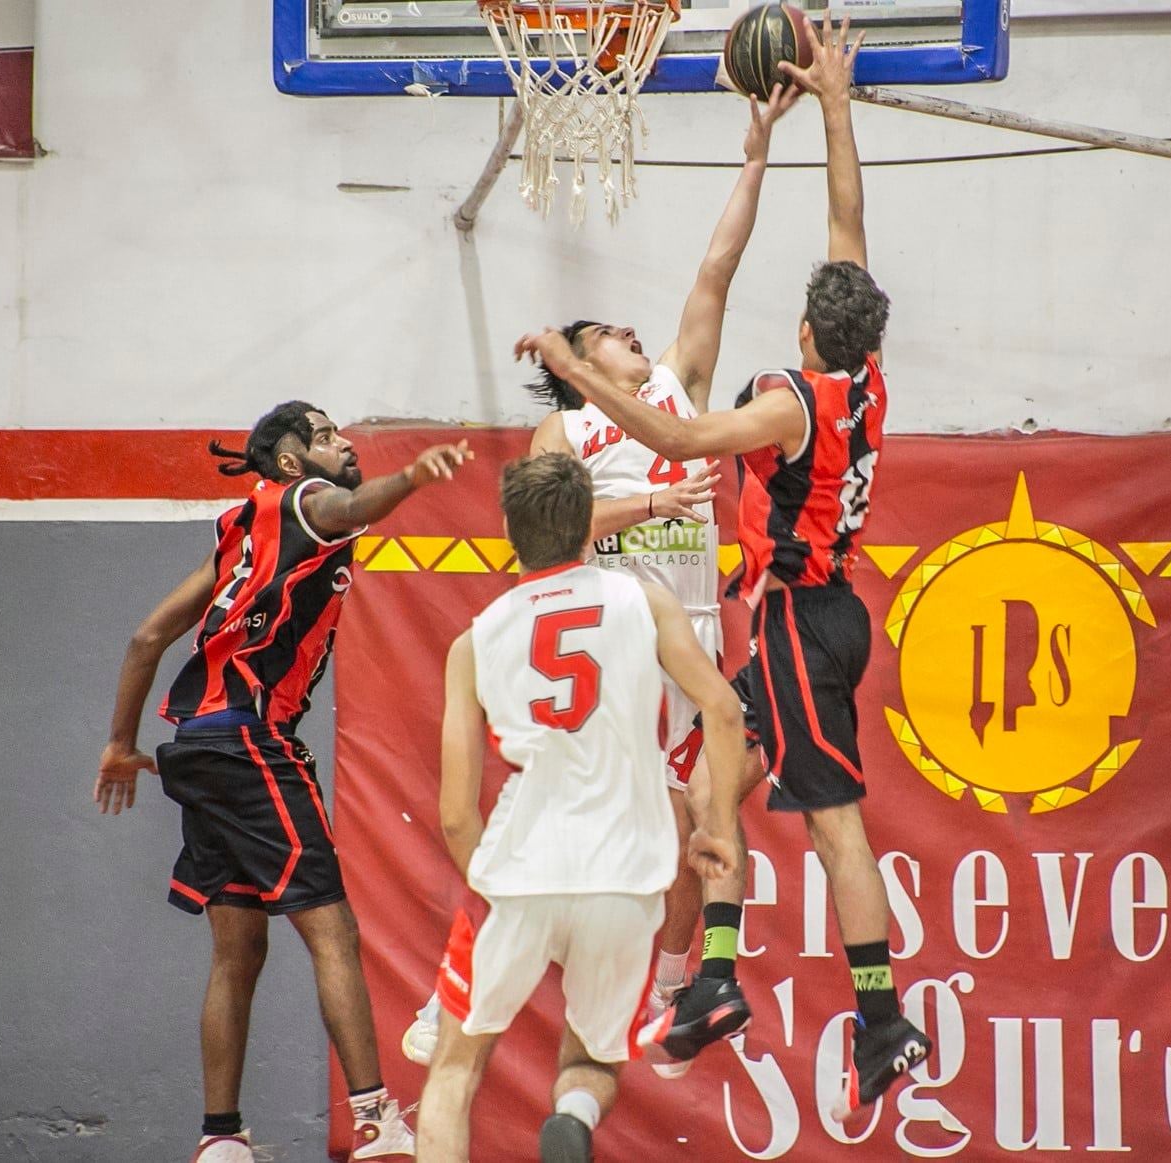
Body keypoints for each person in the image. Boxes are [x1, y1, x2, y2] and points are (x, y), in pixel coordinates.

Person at [513, 14, 933, 1124]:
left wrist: (567, 365)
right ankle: (711, 979)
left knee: (831, 819)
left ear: (803, 331)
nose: (637, 335)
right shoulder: (863, 374)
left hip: (781, 619)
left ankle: (881, 1017)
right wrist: (829, 112)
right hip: (729, 640)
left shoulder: (775, 402)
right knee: (718, 793)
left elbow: (685, 442)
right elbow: (848, 227)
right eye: (605, 337)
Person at [404, 76, 805, 1080]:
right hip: (616, 641)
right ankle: (461, 975)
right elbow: (538, 532)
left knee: (711, 815)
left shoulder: (677, 386)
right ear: (580, 360)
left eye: (634, 332)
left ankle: (678, 984)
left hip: (695, 635)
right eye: (611, 333)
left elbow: (717, 265)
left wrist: (754, 155)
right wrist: (644, 508)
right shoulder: (564, 429)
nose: (634, 336)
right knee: (578, 825)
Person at [94, 403, 470, 1162]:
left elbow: (146, 636)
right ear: (292, 462)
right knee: (332, 931)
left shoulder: (239, 528)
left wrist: (119, 743)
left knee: (238, 950)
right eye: (326, 435)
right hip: (252, 740)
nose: (344, 442)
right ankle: (373, 1119)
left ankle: (220, 1136)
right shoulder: (305, 502)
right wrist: (409, 477)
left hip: (195, 745)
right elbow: (353, 503)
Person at [414, 454, 745, 1163]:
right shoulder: (643, 602)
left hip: (521, 867)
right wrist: (716, 830)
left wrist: (492, 883)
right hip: (625, 876)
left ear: (509, 529)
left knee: (453, 1065)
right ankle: (571, 1113)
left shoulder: (475, 638)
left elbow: (453, 813)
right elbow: (722, 707)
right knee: (595, 1054)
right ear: (587, 524)